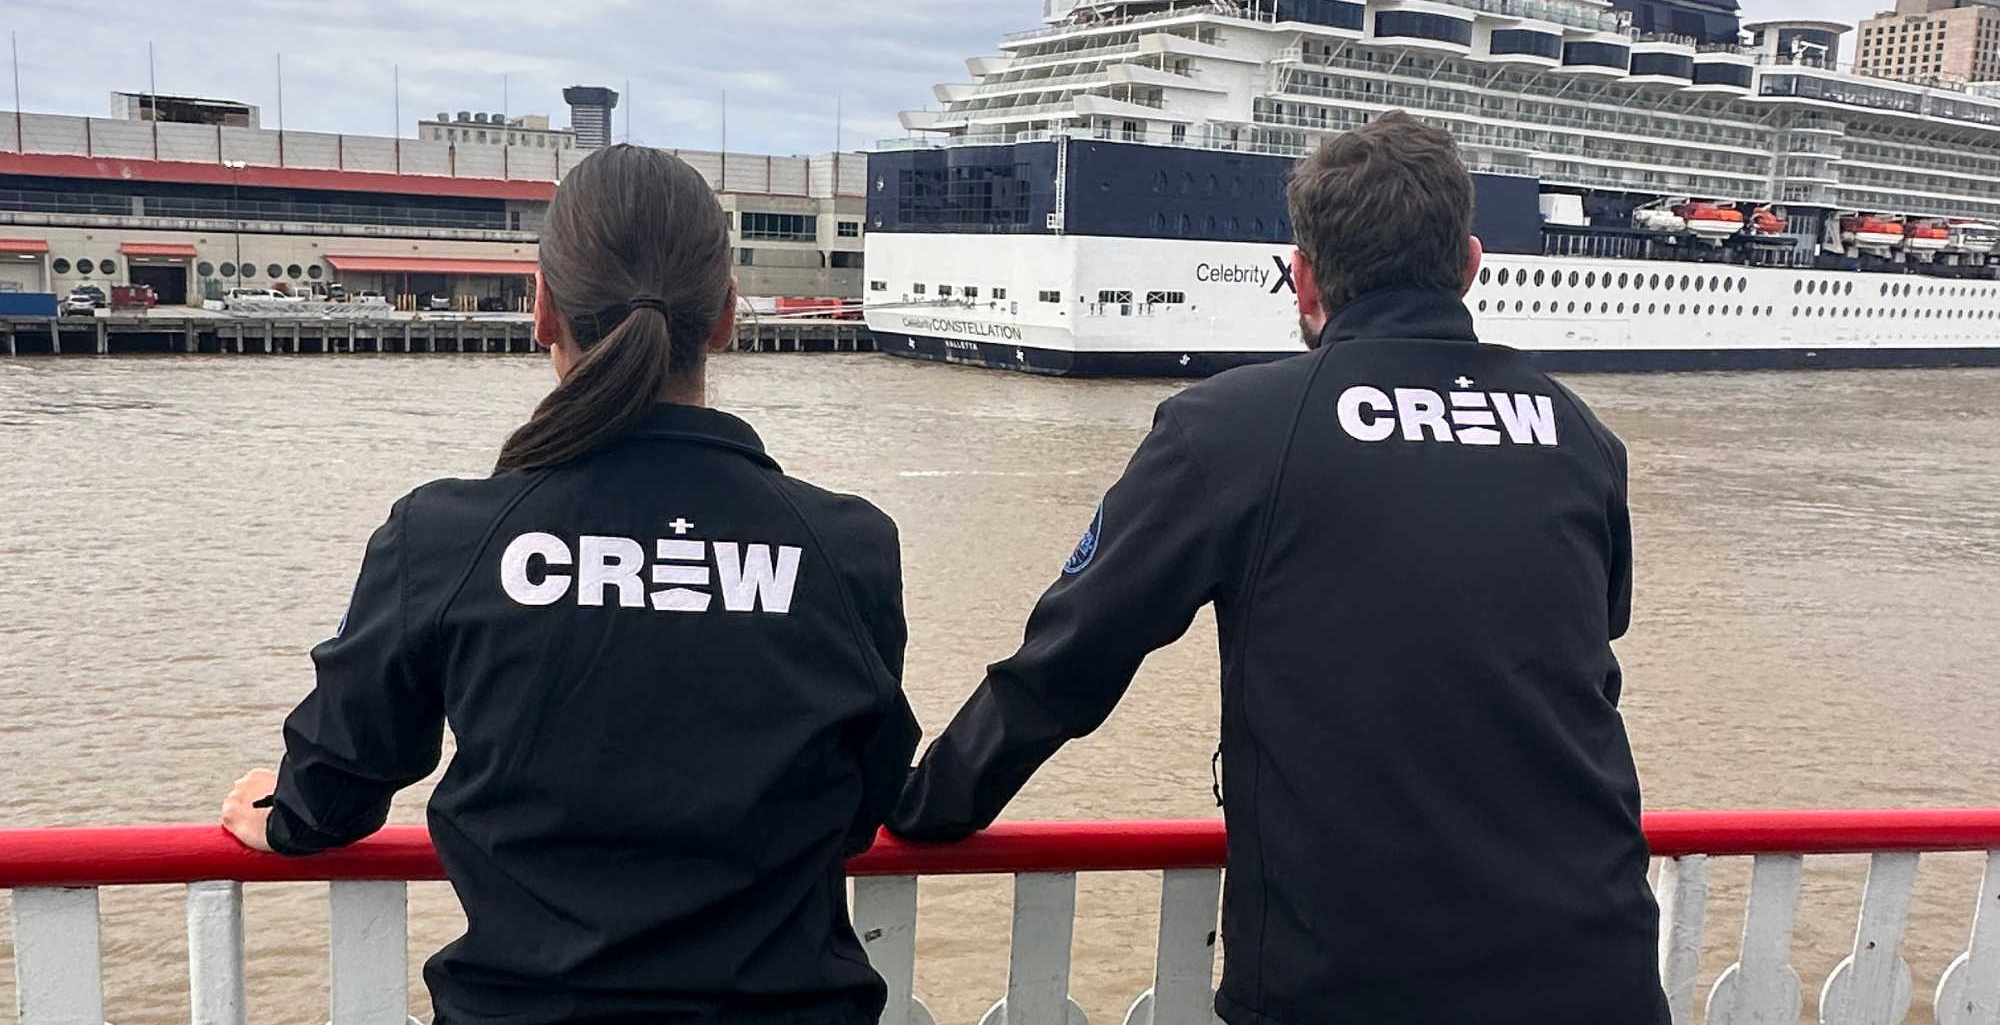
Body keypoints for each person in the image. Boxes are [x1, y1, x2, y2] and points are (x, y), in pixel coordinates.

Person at [889, 112, 1667, 1024]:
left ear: (1302, 276)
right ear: (1468, 265)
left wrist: (924, 802)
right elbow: (1588, 640)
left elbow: (1071, 659)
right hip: (1596, 969)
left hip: (1349, 983)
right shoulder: (1580, 436)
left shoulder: (1228, 431)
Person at [221, 145, 921, 1025]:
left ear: (541, 307)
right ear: (726, 319)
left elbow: (340, 783)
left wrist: (287, 812)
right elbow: (861, 800)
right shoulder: (846, 547)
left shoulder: (445, 538)